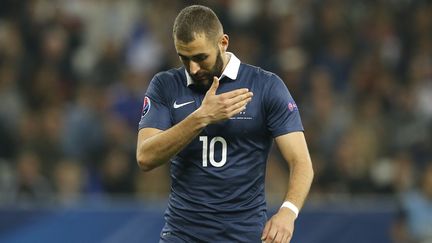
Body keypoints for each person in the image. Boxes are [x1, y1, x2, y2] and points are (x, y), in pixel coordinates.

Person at [136, 5, 314, 243]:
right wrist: (202, 117)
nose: (193, 68)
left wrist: (288, 212)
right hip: (182, 235)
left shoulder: (266, 86)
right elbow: (145, 156)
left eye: (200, 57)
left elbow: (301, 162)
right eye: (184, 58)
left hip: (244, 236)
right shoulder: (165, 85)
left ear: (223, 43)